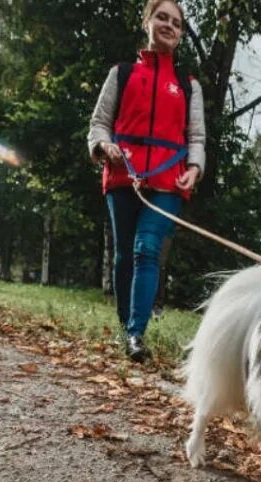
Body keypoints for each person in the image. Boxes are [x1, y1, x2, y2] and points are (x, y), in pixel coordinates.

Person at [86, 0, 206, 362]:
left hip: (169, 181)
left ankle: (136, 334)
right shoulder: (121, 73)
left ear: (181, 33)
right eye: (162, 18)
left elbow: (196, 137)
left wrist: (195, 168)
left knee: (146, 250)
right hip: (124, 176)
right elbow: (99, 122)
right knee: (124, 256)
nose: (169, 25)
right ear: (147, 22)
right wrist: (102, 145)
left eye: (176, 22)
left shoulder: (188, 86)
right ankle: (128, 326)